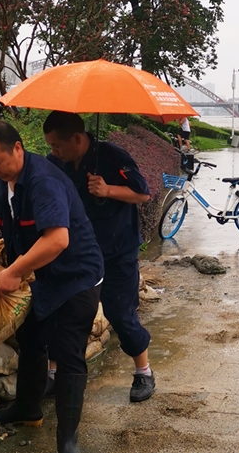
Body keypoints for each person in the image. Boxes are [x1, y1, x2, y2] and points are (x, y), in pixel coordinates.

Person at [0, 120, 104, 453]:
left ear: (18, 148)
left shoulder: (43, 181)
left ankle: (68, 440)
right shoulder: (1, 180)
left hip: (75, 277)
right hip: (37, 277)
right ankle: (28, 409)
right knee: (31, 342)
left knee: (69, 354)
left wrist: (13, 272)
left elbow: (57, 240)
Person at [41, 112, 155, 403]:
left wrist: (108, 189)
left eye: (57, 146)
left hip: (117, 249)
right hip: (77, 252)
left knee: (120, 312)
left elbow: (142, 194)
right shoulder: (56, 163)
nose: (53, 152)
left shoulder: (114, 156)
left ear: (77, 139)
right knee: (63, 312)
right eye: (51, 147)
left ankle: (143, 371)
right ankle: (55, 373)